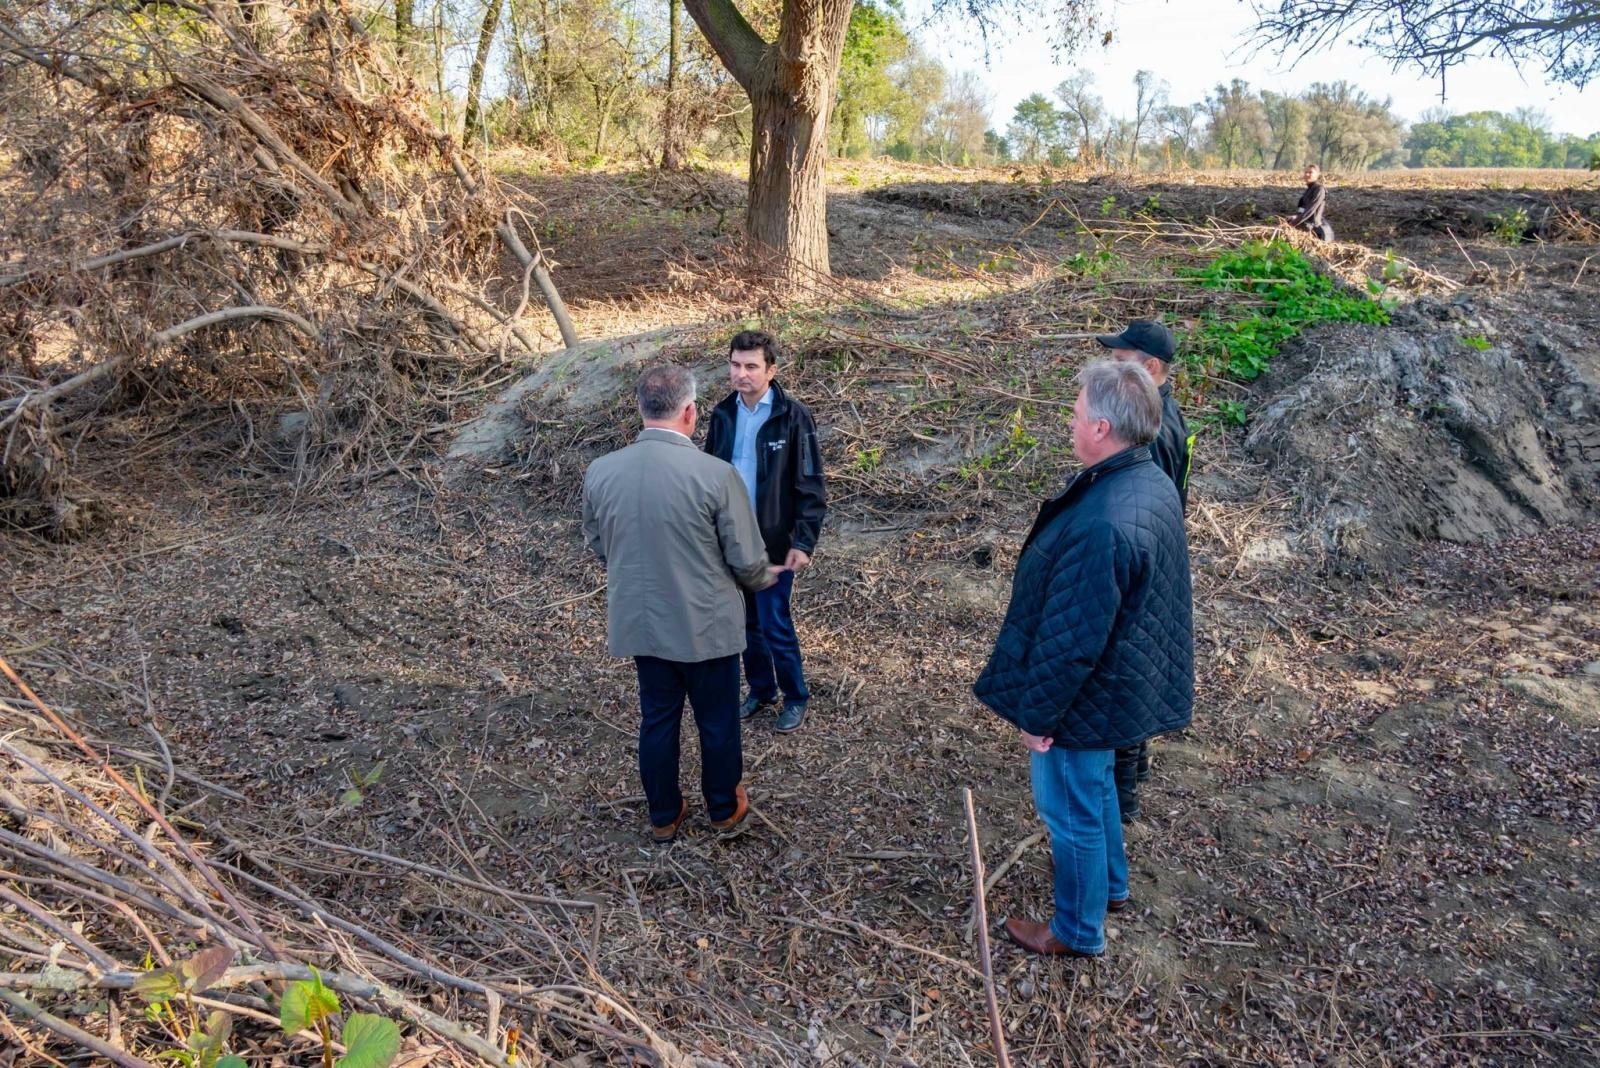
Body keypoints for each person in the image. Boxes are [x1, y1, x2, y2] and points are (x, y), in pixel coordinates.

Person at [973, 360, 1194, 957]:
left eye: (1074, 413)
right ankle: (1110, 886)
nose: (1069, 422)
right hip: (1125, 683)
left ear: (1101, 427)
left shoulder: (1105, 522)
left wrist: (1038, 716)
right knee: (1095, 789)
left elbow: (1073, 642)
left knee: (1068, 807)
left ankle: (1077, 929)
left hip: (1089, 695)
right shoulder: (1147, 481)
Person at [582, 364, 782, 843]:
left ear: (640, 408)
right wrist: (762, 578)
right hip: (706, 623)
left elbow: (598, 543)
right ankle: (721, 808)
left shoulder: (602, 471)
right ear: (690, 413)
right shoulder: (716, 475)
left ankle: (663, 814)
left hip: (642, 622)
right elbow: (747, 559)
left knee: (657, 718)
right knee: (717, 720)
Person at [703, 330, 828, 734]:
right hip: (730, 541)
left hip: (774, 541)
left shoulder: (794, 417)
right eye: (736, 365)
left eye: (751, 366)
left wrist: (803, 541)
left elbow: (810, 483)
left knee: (775, 622)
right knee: (744, 623)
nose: (741, 373)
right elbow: (708, 477)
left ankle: (795, 696)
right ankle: (761, 689)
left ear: (771, 370)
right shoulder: (722, 414)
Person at [1096, 318, 1194, 820]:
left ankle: (1124, 797)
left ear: (1151, 367)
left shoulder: (1151, 432)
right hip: (1158, 554)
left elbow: (1142, 502)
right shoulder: (1168, 414)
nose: (1113, 365)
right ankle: (1133, 775)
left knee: (1124, 674)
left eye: (1121, 358)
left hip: (1143, 561)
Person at [1285, 163, 1333, 241]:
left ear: (1317, 175)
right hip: (1305, 223)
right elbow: (1302, 209)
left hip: (1314, 228)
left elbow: (1310, 210)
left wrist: (1293, 224)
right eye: (1306, 172)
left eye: (1310, 172)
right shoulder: (1309, 190)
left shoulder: (1319, 189)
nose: (1307, 174)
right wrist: (1295, 217)